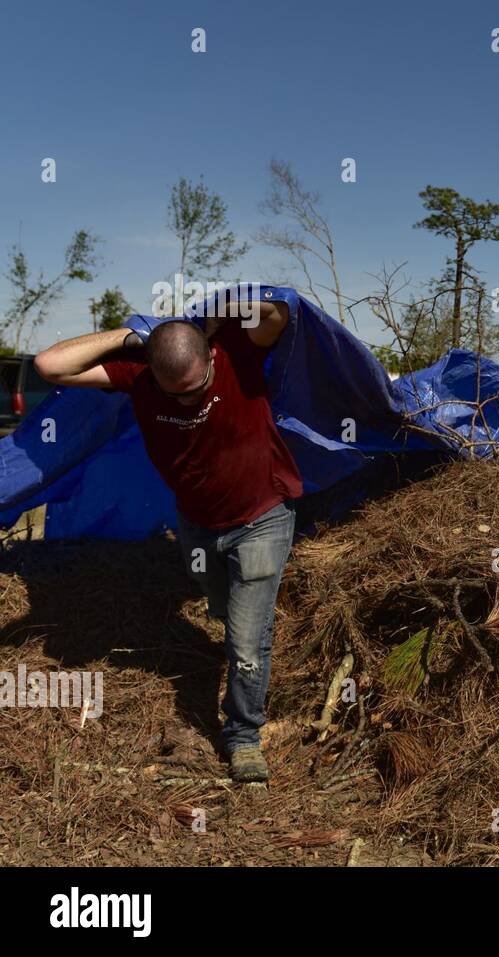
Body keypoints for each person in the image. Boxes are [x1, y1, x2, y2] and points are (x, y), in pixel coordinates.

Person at [34, 294, 302, 783]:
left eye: (195, 387)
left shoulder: (237, 352)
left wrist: (227, 304)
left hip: (262, 516)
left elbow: (280, 314)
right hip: (197, 524)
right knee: (219, 605)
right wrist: (127, 337)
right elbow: (49, 365)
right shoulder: (137, 373)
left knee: (246, 639)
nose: (187, 400)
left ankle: (243, 735)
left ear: (210, 357)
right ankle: (235, 624)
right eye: (173, 392)